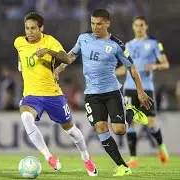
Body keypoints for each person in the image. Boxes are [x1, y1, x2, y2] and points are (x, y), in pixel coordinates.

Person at [55, 9, 153, 176]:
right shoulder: (83, 39)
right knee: (101, 127)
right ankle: (123, 166)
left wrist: (141, 92)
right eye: (92, 23)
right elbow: (71, 56)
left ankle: (130, 111)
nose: (95, 27)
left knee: (119, 130)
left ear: (108, 23)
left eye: (99, 24)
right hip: (92, 94)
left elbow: (132, 69)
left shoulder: (117, 45)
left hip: (112, 92)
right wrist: (59, 68)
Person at [14, 12, 98, 176]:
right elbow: (20, 54)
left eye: (33, 28)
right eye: (27, 28)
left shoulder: (50, 41)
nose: (29, 32)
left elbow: (66, 59)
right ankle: (49, 157)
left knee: (71, 129)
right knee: (26, 117)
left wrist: (48, 51)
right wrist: (20, 64)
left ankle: (86, 158)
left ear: (41, 28)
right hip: (31, 95)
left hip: (53, 94)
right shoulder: (18, 42)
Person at [115, 16, 170, 166]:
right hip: (129, 89)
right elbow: (126, 68)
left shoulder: (154, 44)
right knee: (130, 122)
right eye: (136, 25)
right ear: (133, 27)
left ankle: (161, 146)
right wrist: (111, 73)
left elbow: (165, 64)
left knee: (151, 122)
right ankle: (133, 159)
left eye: (141, 25)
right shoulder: (128, 45)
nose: (139, 28)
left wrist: (154, 66)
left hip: (146, 88)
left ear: (146, 27)